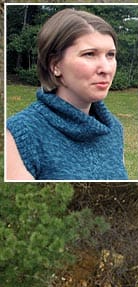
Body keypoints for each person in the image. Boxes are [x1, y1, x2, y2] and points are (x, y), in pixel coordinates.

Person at [5, 8, 128, 181]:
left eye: (110, 55)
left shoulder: (114, 129)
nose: (106, 68)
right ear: (55, 65)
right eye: (89, 54)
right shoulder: (20, 135)